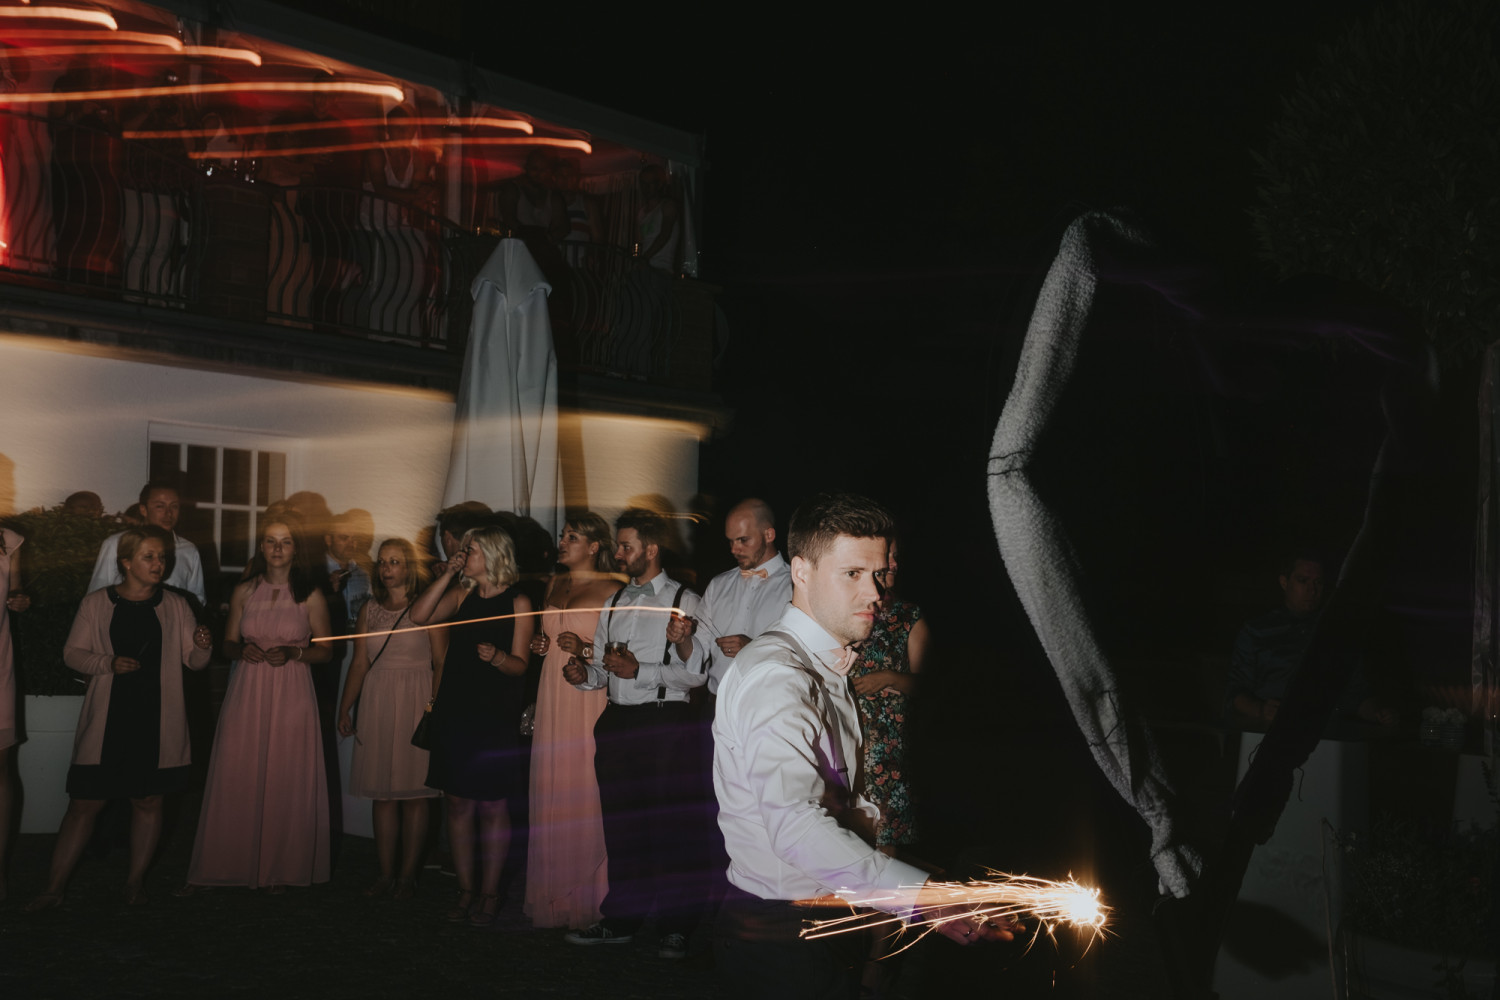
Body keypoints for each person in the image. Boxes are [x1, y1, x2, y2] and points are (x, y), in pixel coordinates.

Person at [712, 492, 1017, 998]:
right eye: (852, 573)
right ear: (802, 571)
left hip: (819, 918)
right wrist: (923, 896)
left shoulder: (823, 664)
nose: (874, 592)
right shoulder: (780, 677)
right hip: (781, 935)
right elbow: (794, 826)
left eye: (879, 574)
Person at [26, 526, 213, 910]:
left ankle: (134, 883)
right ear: (126, 563)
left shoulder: (177, 605)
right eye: (149, 556)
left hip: (157, 719)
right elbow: (73, 653)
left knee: (148, 801)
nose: (158, 563)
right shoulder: (96, 603)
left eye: (162, 557)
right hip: (108, 718)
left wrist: (200, 646)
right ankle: (54, 888)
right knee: (84, 803)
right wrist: (107, 663)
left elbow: (193, 663)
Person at [561, 508, 707, 959]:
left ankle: (675, 926)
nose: (618, 553)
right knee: (623, 828)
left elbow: (696, 675)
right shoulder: (617, 600)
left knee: (670, 828)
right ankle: (622, 918)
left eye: (626, 545)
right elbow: (605, 674)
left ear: (651, 548)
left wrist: (639, 669)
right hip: (618, 722)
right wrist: (582, 674)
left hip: (665, 724)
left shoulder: (686, 599)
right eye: (619, 545)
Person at [181, 514, 334, 892]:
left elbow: (328, 651)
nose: (277, 548)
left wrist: (295, 654)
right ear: (261, 547)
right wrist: (240, 649)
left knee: (286, 771)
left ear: (296, 547)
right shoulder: (245, 591)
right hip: (248, 689)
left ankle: (282, 866)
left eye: (285, 541)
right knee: (238, 768)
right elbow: (227, 643)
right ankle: (232, 863)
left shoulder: (310, 594)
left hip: (292, 690)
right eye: (270, 541)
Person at [409, 524, 533, 927]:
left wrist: (497, 657)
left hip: (494, 714)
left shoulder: (519, 601)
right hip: (456, 710)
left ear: (495, 553)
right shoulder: (462, 594)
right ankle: (465, 890)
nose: (465, 555)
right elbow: (418, 615)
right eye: (463, 550)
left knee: (494, 806)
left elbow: (520, 666)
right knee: (458, 803)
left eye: (471, 549)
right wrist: (448, 572)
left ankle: (491, 892)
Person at [524, 512, 622, 929]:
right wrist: (541, 645)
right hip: (552, 695)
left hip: (589, 697)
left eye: (572, 537)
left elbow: (624, 653)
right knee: (552, 783)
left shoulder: (613, 589)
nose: (562, 542)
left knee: (586, 784)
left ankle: (591, 898)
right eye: (562, 536)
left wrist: (584, 649)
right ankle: (553, 896)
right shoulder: (555, 583)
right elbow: (546, 646)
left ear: (595, 546)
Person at [337, 538, 445, 899]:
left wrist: (434, 704)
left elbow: (441, 660)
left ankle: (408, 875)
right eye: (382, 562)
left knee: (416, 794)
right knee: (382, 795)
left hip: (416, 698)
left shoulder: (427, 607)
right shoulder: (370, 609)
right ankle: (385, 873)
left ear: (409, 567)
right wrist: (345, 706)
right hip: (379, 700)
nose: (386, 569)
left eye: (395, 562)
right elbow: (360, 662)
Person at [1226, 549, 1396, 727]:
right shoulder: (1257, 631)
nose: (1311, 590)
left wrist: (1379, 713)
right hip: (1269, 731)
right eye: (1303, 581)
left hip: (1326, 730)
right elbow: (1235, 690)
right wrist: (1260, 710)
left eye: (1318, 582)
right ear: (1284, 582)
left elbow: (1357, 692)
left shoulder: (1337, 632)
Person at [848, 535, 928, 851]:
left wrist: (887, 677)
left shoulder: (909, 617)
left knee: (886, 836)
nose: (893, 563)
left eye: (896, 556)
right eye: (887, 555)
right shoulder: (851, 610)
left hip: (888, 747)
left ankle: (887, 899)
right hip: (848, 736)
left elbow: (927, 685)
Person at [697, 498, 792, 695]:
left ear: (769, 534)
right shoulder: (717, 585)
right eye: (730, 541)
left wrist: (754, 649)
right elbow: (697, 651)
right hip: (716, 706)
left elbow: (807, 655)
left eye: (743, 540)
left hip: (771, 704)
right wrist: (682, 639)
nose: (734, 549)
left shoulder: (796, 585)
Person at [87, 482, 205, 605]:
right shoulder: (116, 544)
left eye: (174, 506)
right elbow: (97, 597)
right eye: (160, 506)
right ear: (144, 510)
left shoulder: (189, 550)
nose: (168, 513)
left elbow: (197, 600)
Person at [0, 522, 30, 903]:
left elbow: (17, 591)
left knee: (0, 767)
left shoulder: (8, 540)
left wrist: (20, 598)